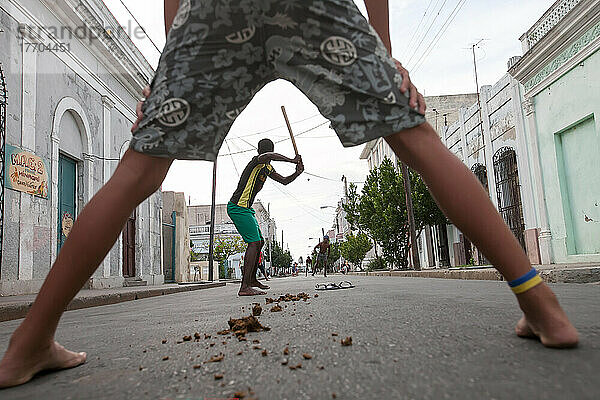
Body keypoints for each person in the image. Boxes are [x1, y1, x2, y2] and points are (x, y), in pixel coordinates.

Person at [0, 0, 579, 390]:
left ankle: (29, 341)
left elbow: (283, 174)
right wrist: (381, 52)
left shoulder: (265, 164)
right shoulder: (258, 162)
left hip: (213, 12)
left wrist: (169, 61)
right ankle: (540, 304)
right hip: (311, 14)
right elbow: (274, 172)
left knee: (140, 171)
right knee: (415, 138)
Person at [228, 138, 303, 296]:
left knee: (260, 242)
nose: (269, 157)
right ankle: (244, 287)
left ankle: (253, 279)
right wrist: (291, 160)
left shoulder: (267, 168)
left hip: (246, 209)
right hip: (237, 207)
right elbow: (269, 155)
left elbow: (284, 181)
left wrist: (297, 172)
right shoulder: (256, 162)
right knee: (254, 243)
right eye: (269, 153)